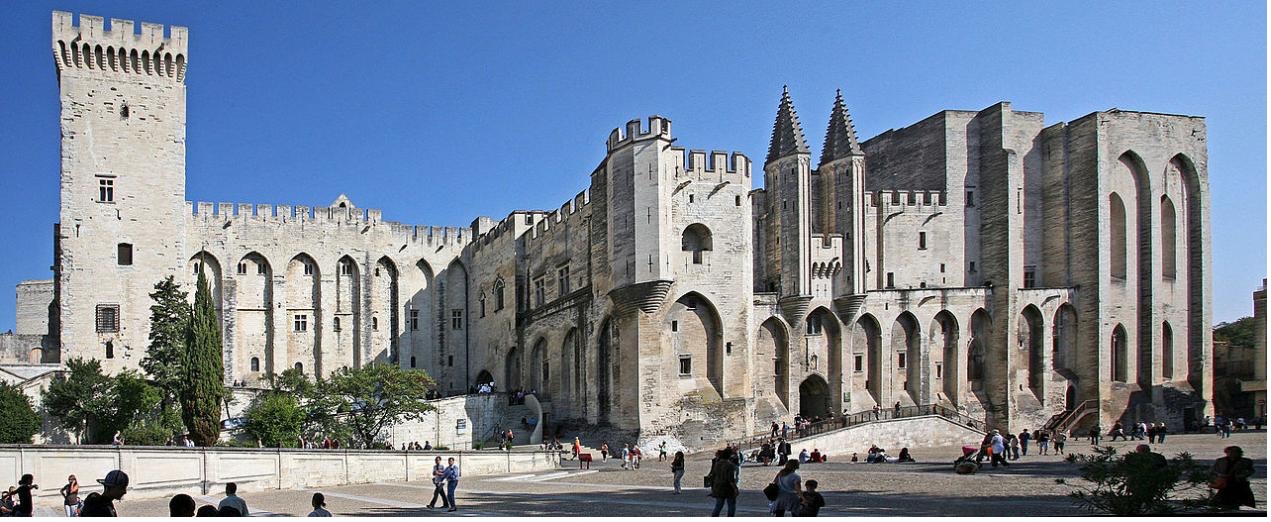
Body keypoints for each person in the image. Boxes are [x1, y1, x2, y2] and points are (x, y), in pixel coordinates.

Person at [708, 448, 739, 517]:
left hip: (718, 486)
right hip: (728, 488)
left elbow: (714, 475)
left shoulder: (717, 464)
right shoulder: (730, 465)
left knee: (718, 505)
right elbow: (731, 479)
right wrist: (735, 488)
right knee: (731, 505)